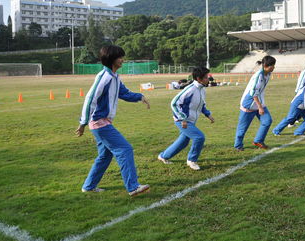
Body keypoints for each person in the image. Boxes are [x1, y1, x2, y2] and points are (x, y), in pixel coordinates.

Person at [76, 45, 150, 197]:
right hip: (99, 123)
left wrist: (140, 97)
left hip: (104, 122)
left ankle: (89, 186)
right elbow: (90, 99)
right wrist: (83, 123)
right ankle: (133, 187)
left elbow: (123, 92)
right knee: (125, 149)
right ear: (111, 59)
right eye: (119, 57)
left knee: (105, 156)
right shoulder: (104, 77)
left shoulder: (115, 77)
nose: (122, 60)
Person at [158, 67, 215, 170]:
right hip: (183, 121)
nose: (208, 79)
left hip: (191, 120)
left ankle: (163, 156)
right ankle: (192, 160)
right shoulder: (190, 89)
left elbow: (201, 105)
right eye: (206, 77)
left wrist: (208, 115)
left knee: (183, 142)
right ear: (199, 78)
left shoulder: (202, 89)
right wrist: (182, 118)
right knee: (199, 137)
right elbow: (174, 103)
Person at [234, 55, 276, 151]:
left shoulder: (268, 74)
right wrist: (260, 107)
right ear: (265, 65)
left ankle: (258, 141)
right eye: (272, 66)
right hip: (249, 103)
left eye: (274, 65)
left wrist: (260, 105)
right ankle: (238, 145)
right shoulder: (258, 76)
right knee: (243, 128)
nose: (273, 67)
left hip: (259, 102)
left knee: (267, 121)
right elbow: (253, 93)